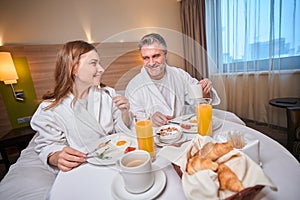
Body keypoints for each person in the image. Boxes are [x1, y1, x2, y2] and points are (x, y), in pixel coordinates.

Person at [31, 40, 132, 172]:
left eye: (99, 63)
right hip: (82, 166)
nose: (101, 69)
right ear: (74, 68)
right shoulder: (50, 108)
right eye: (93, 63)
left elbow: (121, 131)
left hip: (115, 159)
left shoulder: (108, 94)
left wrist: (124, 112)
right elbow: (47, 146)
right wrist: (56, 157)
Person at [125, 33, 220, 127]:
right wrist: (150, 120)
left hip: (182, 132)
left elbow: (201, 102)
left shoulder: (179, 75)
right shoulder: (133, 86)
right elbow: (131, 122)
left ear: (165, 55)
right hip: (154, 136)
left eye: (155, 56)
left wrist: (205, 89)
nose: (151, 63)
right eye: (146, 58)